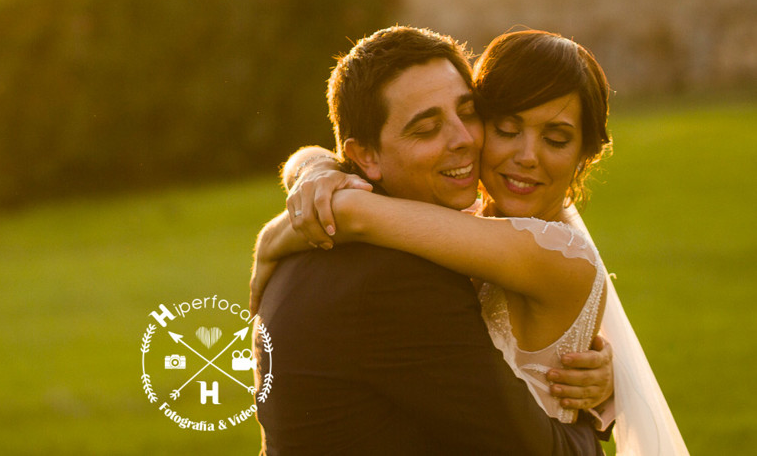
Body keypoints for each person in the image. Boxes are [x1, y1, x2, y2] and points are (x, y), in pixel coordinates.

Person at [254, 29, 688, 455]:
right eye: (505, 128)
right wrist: (312, 168)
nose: (526, 156)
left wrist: (278, 230)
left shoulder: (554, 254)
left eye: (556, 139)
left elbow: (355, 214)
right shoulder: (433, 246)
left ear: (585, 155)